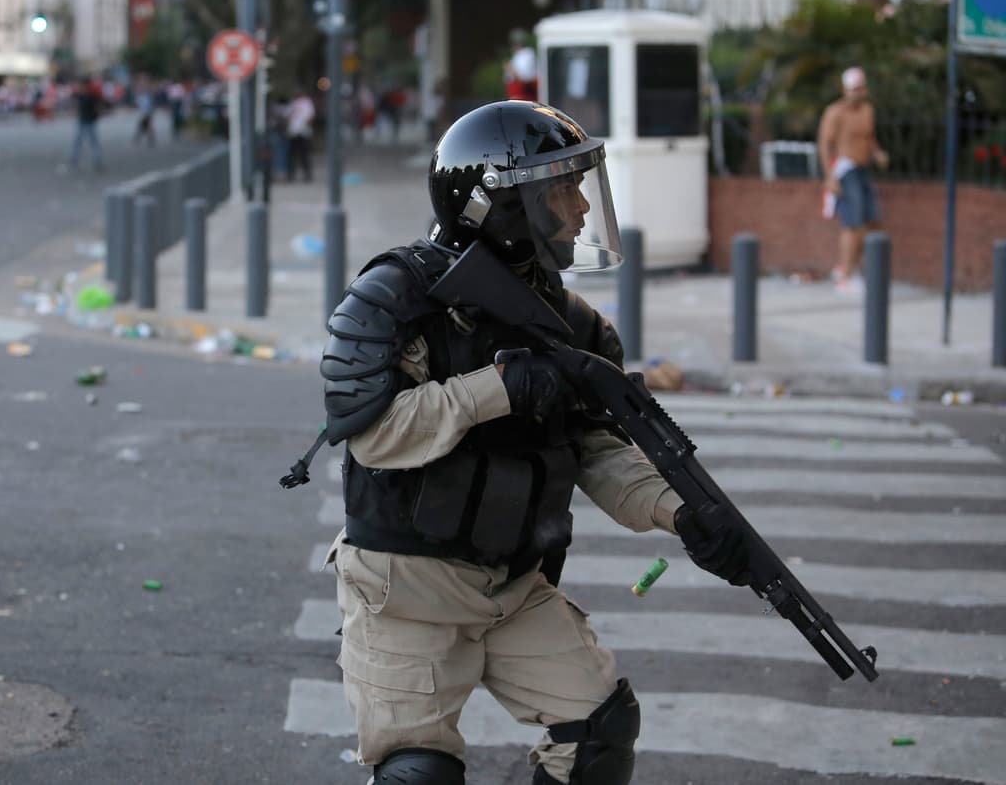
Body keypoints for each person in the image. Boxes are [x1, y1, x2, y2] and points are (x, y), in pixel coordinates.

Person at [315, 100, 750, 785]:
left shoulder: (572, 324)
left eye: (579, 186)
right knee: (419, 773)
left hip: (514, 584)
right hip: (406, 590)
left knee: (599, 731)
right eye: (560, 190)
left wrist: (683, 513)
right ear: (499, 206)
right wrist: (499, 389)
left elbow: (595, 450)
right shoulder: (397, 298)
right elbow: (376, 436)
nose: (581, 208)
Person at [817, 66, 888, 293]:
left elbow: (870, 138)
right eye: (855, 89)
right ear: (846, 90)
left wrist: (877, 153)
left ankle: (849, 267)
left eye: (862, 88)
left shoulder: (867, 110)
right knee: (852, 224)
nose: (859, 93)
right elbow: (825, 145)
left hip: (863, 169)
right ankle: (845, 277)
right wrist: (830, 178)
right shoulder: (835, 112)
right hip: (845, 171)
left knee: (872, 223)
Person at [69, 75, 104, 173]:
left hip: (89, 120)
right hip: (83, 120)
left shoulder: (91, 94)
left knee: (92, 142)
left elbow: (98, 106)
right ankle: (74, 158)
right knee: (79, 141)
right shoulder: (82, 94)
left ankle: (96, 160)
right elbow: (74, 100)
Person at [285, 88, 316, 182]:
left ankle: (307, 174)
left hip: (303, 132)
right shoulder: (294, 102)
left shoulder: (307, 102)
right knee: (292, 155)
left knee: (304, 155)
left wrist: (304, 126)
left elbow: (310, 116)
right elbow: (287, 115)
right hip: (294, 132)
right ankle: (291, 174)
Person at [505, 29, 539, 102]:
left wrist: (511, 70)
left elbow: (525, 77)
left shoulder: (527, 54)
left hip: (523, 95)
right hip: (516, 94)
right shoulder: (517, 56)